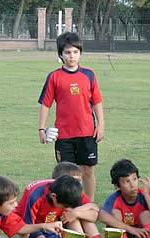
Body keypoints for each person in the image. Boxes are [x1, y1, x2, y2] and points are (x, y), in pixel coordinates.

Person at [38, 32, 104, 202]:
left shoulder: (89, 75)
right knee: (65, 174)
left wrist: (101, 125)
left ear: (80, 53)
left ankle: (88, 205)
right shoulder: (54, 77)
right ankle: (66, 205)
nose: (72, 56)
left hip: (87, 133)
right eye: (67, 52)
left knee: (87, 170)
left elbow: (97, 102)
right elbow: (46, 104)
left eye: (75, 52)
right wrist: (41, 129)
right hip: (64, 135)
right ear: (60, 55)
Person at [15, 162, 107, 238]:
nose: (66, 209)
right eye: (64, 206)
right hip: (34, 226)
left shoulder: (70, 190)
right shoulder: (36, 196)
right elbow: (26, 229)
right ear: (53, 196)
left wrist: (75, 212)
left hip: (54, 227)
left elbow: (94, 212)